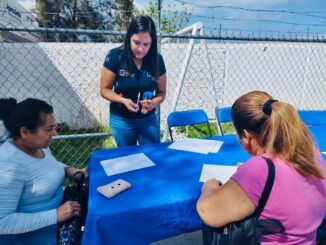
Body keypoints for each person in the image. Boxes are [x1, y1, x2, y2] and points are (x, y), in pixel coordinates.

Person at [197, 91, 326, 244]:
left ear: (246, 136)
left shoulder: (260, 168)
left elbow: (209, 212)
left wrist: (209, 187)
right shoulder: (310, 153)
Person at [0, 98, 87, 245]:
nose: (55, 133)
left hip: (64, 218)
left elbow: (50, 166)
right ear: (24, 131)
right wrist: (55, 215)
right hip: (35, 236)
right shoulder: (7, 165)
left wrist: (68, 170)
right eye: (49, 129)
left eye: (54, 127)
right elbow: (3, 222)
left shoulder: (38, 145)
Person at [100, 15, 167, 147]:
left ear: (152, 43)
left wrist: (154, 102)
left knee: (153, 154)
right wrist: (123, 101)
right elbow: (104, 90)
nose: (141, 48)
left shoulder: (157, 60)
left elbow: (161, 92)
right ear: (129, 37)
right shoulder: (115, 56)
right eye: (136, 42)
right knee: (128, 159)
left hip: (148, 120)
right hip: (121, 120)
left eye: (146, 44)